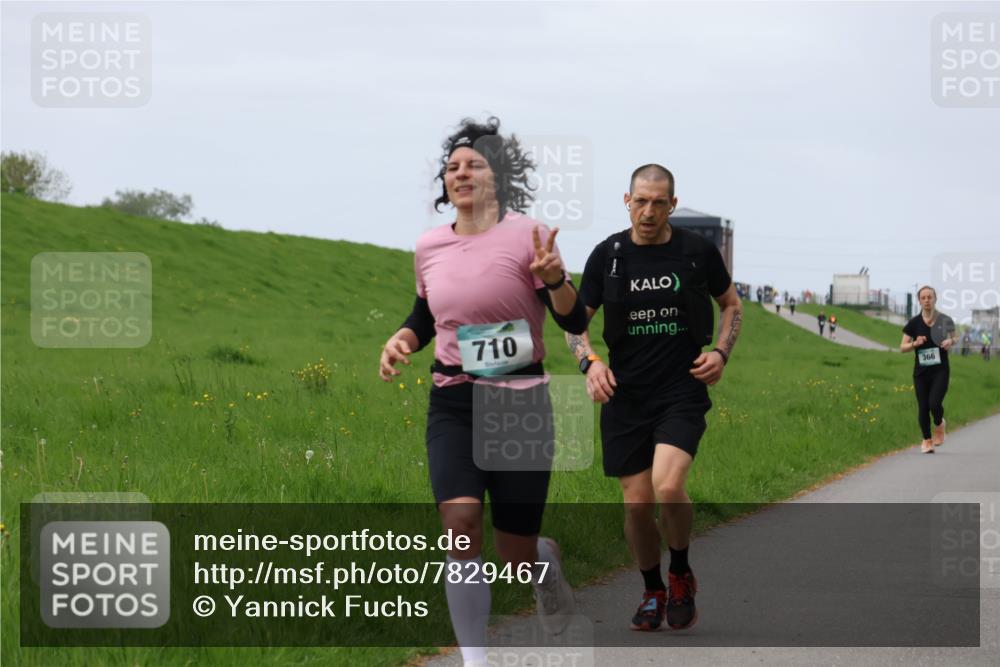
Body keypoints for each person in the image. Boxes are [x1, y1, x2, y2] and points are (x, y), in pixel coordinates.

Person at [379, 117, 586, 667]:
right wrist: (402, 338)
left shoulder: (528, 235)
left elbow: (573, 319)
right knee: (460, 524)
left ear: (498, 178)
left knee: (512, 552)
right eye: (452, 167)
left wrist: (558, 280)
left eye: (474, 164)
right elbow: (425, 314)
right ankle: (476, 660)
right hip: (454, 401)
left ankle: (543, 560)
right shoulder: (429, 246)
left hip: (519, 404)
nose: (461, 173)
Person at [566, 164, 743, 632]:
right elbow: (574, 322)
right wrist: (590, 362)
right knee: (637, 504)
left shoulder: (697, 252)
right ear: (627, 201)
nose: (648, 211)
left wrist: (721, 353)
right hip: (626, 395)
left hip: (681, 389)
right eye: (640, 201)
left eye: (658, 202)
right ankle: (652, 589)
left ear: (672, 204)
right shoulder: (608, 256)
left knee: (668, 486)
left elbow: (731, 305)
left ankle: (680, 570)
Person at [900, 286, 955, 454]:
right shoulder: (914, 323)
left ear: (935, 299)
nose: (926, 300)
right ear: (919, 301)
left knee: (934, 403)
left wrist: (950, 342)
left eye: (929, 297)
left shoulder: (944, 320)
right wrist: (914, 344)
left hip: (940, 370)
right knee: (923, 406)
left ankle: (939, 423)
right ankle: (927, 440)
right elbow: (902, 347)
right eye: (923, 297)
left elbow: (955, 337)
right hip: (921, 373)